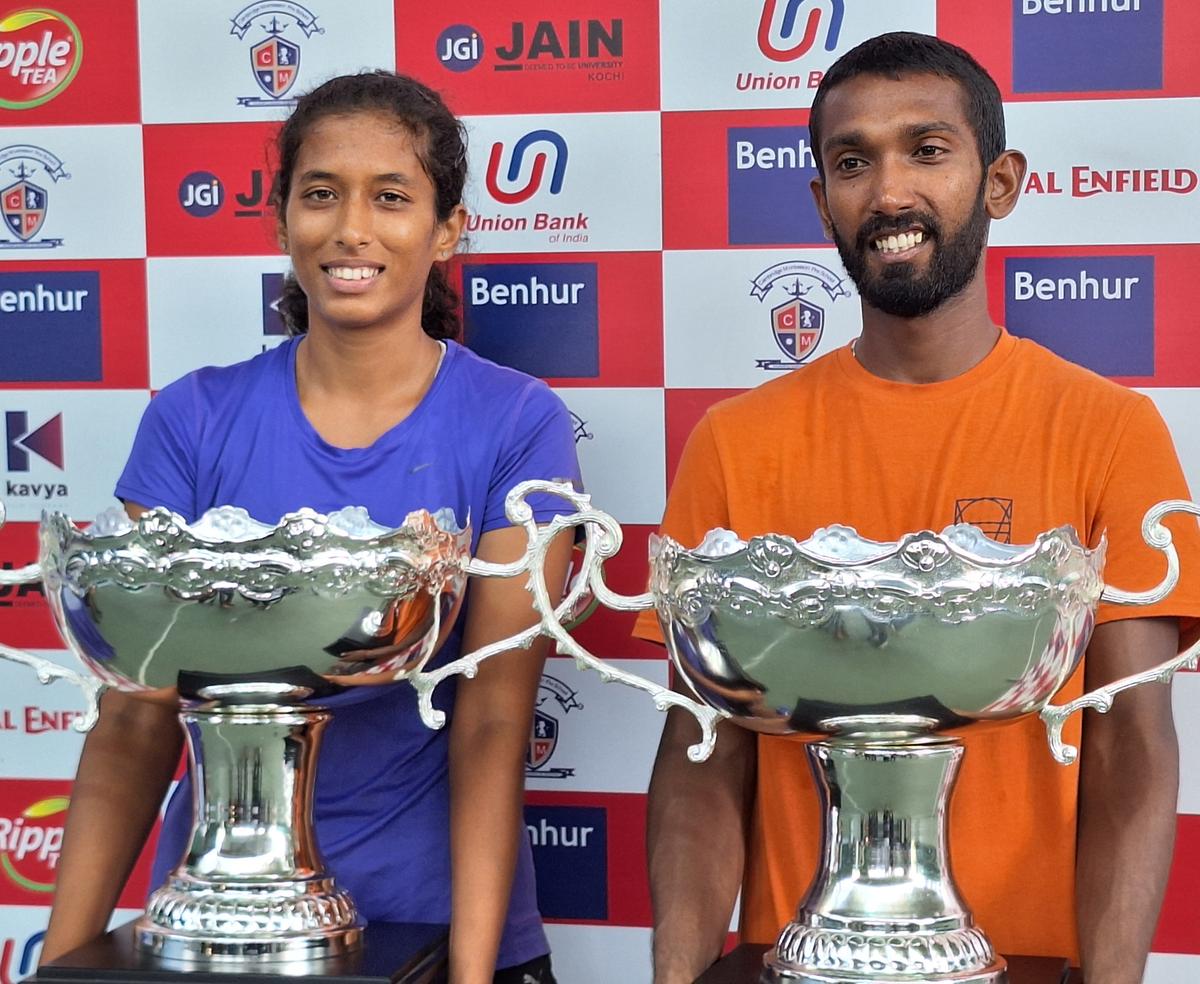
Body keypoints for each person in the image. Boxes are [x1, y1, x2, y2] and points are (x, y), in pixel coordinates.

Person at [636, 32, 1200, 984]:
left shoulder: (1112, 429)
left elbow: (1130, 747)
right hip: (798, 963)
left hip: (1024, 962)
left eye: (927, 150)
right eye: (853, 162)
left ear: (1001, 180)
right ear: (822, 202)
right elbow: (702, 749)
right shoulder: (736, 442)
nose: (890, 193)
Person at [40, 71, 578, 984]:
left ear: (448, 228)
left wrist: (471, 972)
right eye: (320, 194)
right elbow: (135, 717)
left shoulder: (519, 423)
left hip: (436, 926)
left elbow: (491, 720)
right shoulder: (193, 419)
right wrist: (58, 967)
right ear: (281, 217)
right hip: (214, 932)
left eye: (392, 197)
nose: (350, 228)